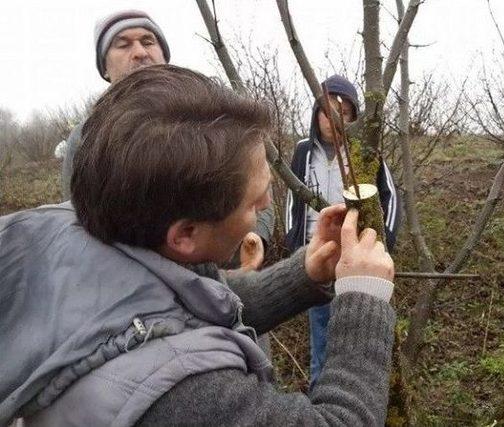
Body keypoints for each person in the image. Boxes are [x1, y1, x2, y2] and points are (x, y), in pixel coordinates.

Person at [0, 65, 397, 426]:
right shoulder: (187, 393)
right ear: (185, 235)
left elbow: (185, 305)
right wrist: (365, 297)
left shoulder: (83, 238)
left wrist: (304, 273)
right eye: (252, 200)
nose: (265, 205)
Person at [59, 9, 274, 272]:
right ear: (104, 67)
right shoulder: (86, 140)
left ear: (165, 55)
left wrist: (254, 233)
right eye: (123, 44)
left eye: (148, 41)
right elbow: (84, 227)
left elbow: (258, 188)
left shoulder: (208, 118)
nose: (139, 52)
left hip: (227, 276)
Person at [284, 74, 401, 386]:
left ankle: (356, 395)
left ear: (353, 116)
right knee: (321, 333)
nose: (333, 118)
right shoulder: (303, 152)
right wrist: (293, 243)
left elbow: (389, 194)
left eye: (343, 112)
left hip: (354, 258)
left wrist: (383, 242)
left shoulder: (364, 152)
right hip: (317, 255)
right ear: (316, 114)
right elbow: (292, 196)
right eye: (327, 111)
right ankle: (320, 398)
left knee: (358, 331)